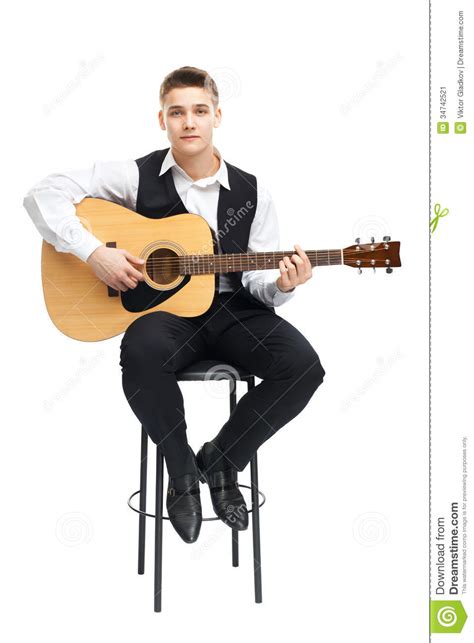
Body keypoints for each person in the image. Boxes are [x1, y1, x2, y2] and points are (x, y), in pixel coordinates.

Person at [23, 66, 326, 543]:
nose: (189, 122)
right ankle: (181, 473)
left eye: (199, 111)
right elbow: (42, 194)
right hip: (165, 316)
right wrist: (93, 251)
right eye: (177, 112)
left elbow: (259, 282)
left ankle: (222, 460)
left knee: (303, 366)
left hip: (234, 311)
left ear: (217, 116)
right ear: (162, 120)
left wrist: (285, 285)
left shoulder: (252, 192)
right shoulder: (133, 175)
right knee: (141, 348)